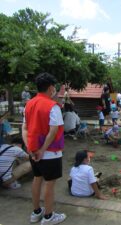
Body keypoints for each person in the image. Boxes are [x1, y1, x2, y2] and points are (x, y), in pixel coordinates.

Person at [22, 72, 66, 224]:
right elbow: (53, 131)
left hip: (33, 151)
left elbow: (25, 128)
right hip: (50, 153)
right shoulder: (53, 107)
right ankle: (48, 216)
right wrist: (42, 150)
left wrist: (30, 148)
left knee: (37, 179)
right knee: (50, 183)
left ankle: (36, 212)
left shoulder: (29, 104)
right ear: (51, 87)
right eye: (54, 87)